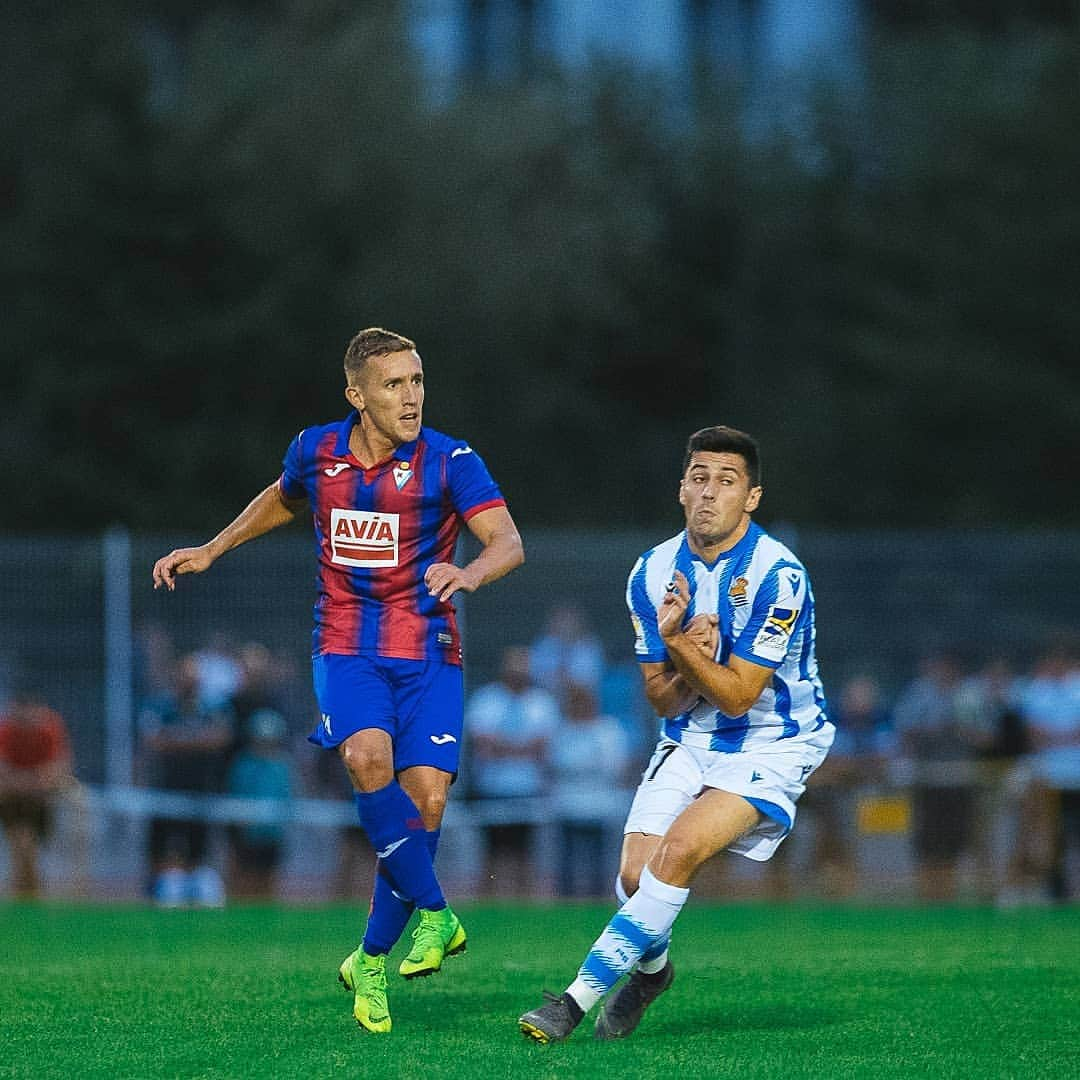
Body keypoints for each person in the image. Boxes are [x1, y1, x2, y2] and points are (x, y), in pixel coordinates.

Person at [153, 327, 524, 1033]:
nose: (411, 396)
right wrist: (212, 547)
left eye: (417, 381)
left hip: (430, 649)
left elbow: (507, 540)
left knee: (429, 803)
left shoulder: (451, 459)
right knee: (363, 758)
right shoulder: (315, 450)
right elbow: (284, 495)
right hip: (347, 641)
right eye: (394, 384)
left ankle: (372, 959)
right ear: (357, 395)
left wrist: (471, 571)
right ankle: (438, 914)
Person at [518, 425, 833, 1043]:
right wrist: (677, 647)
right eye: (699, 478)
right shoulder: (651, 571)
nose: (710, 492)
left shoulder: (779, 574)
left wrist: (678, 648)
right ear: (680, 490)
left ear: (752, 498)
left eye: (727, 480)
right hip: (688, 738)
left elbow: (741, 696)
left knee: (680, 851)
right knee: (636, 880)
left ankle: (574, 1002)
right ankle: (652, 974)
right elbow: (660, 694)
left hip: (773, 739)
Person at [137, 652, 234, 907]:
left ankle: (193, 901)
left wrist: (175, 740)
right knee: (159, 850)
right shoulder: (160, 705)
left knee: (197, 851)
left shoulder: (213, 706)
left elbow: (220, 737)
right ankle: (155, 899)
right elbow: (153, 740)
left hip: (200, 790)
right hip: (164, 789)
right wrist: (195, 740)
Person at [465, 645, 559, 897]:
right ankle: (488, 903)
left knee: (525, 854)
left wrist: (503, 746)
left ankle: (525, 903)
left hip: (528, 786)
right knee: (492, 853)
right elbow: (482, 742)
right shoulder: (486, 699)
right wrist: (521, 747)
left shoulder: (541, 702)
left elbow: (542, 747)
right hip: (492, 786)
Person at [549, 682, 635, 898]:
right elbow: (554, 762)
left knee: (598, 862)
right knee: (566, 863)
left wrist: (578, 766)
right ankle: (566, 903)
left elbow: (617, 766)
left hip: (600, 805)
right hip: (568, 805)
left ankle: (597, 900)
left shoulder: (608, 729)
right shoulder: (562, 730)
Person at [0, 688, 74, 897]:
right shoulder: (6, 730)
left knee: (28, 847)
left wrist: (36, 784)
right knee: (21, 845)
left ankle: (34, 893)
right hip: (13, 797)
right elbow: (2, 769)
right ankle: (25, 894)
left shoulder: (50, 728)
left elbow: (59, 767)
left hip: (42, 798)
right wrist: (25, 783)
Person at [225, 708, 293, 900]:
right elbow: (235, 793)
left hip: (271, 833)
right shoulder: (243, 764)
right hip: (246, 833)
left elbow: (286, 795)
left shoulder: (281, 766)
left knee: (268, 879)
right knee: (243, 878)